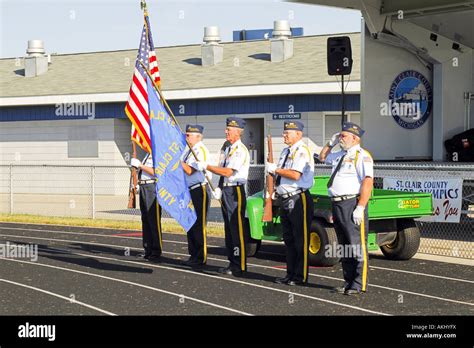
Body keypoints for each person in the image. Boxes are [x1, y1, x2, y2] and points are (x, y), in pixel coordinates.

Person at [319, 122, 374, 296]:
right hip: (337, 203)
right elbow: (322, 157)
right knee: (344, 246)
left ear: (355, 138)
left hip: (351, 204)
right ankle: (348, 281)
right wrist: (331, 142)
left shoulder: (362, 156)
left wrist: (360, 207)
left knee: (356, 244)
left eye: (343, 136)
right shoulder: (339, 154)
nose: (341, 138)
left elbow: (367, 181)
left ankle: (358, 283)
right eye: (340, 135)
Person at [196, 117, 250, 276]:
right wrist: (219, 187)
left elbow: (228, 172)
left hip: (235, 192)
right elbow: (223, 172)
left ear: (238, 132)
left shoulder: (241, 150)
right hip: (226, 190)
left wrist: (207, 166)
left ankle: (239, 264)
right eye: (226, 129)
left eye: (229, 129)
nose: (226, 131)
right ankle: (232, 262)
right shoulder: (228, 149)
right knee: (229, 229)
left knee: (236, 229)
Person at [266, 121, 314, 286]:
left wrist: (275, 169)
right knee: (289, 239)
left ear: (298, 134)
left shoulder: (302, 150)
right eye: (284, 132)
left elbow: (295, 175)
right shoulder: (286, 151)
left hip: (298, 198)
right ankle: (290, 273)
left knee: (300, 238)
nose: (284, 135)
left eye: (288, 132)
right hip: (285, 198)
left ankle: (300, 276)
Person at [180, 124, 211, 266]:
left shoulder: (200, 150)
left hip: (199, 189)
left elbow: (190, 171)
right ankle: (193, 254)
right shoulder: (188, 151)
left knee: (199, 223)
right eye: (186, 134)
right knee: (190, 223)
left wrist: (177, 162)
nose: (186, 137)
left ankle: (200, 256)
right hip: (189, 190)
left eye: (189, 135)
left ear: (198, 136)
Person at [131, 152, 162, 261]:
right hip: (144, 186)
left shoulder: (158, 153)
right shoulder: (147, 154)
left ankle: (156, 250)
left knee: (153, 220)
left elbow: (157, 172)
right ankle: (148, 249)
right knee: (146, 220)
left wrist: (140, 165)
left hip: (152, 186)